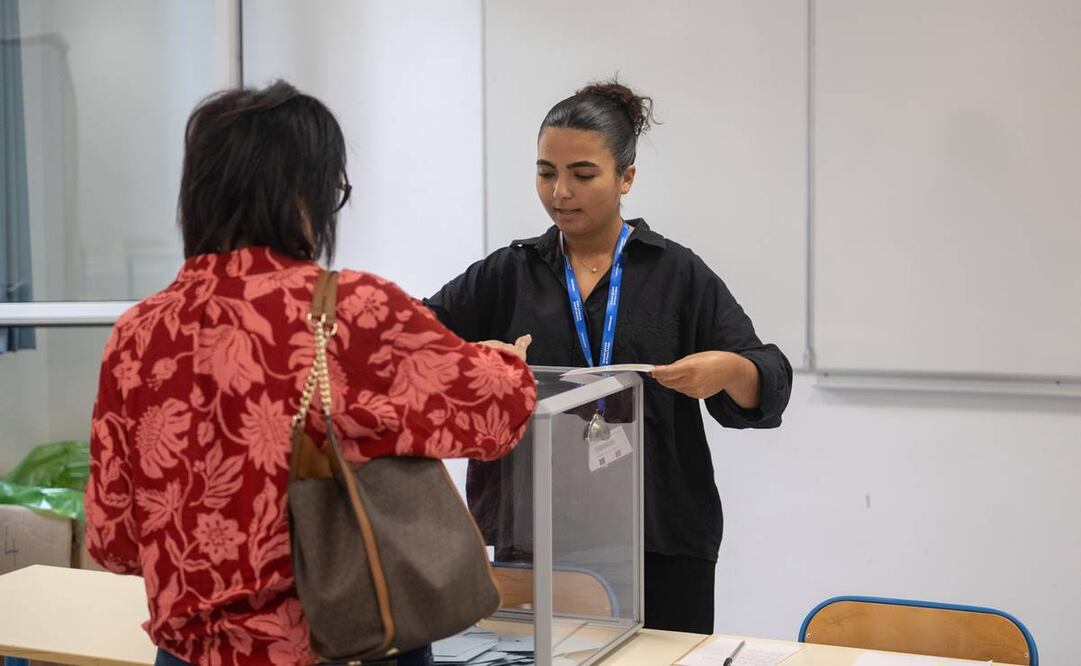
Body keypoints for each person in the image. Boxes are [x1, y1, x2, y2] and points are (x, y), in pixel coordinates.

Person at [84, 80, 537, 666]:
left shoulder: (135, 335)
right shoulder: (350, 310)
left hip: (189, 655)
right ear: (302, 192)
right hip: (344, 643)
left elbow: (113, 543)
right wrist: (509, 362)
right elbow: (495, 413)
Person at [425, 80, 792, 634]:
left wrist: (728, 370)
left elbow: (768, 375)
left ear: (627, 177)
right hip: (535, 539)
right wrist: (471, 356)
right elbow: (407, 341)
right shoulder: (509, 272)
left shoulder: (676, 274)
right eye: (546, 172)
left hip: (660, 538)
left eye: (582, 174)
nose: (560, 192)